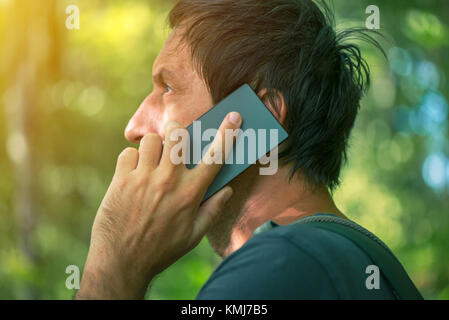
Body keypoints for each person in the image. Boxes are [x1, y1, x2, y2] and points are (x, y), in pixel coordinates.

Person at [76, 0, 418, 299]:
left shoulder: (280, 264)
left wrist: (113, 270)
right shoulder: (364, 264)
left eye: (168, 87)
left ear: (262, 116)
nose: (134, 127)